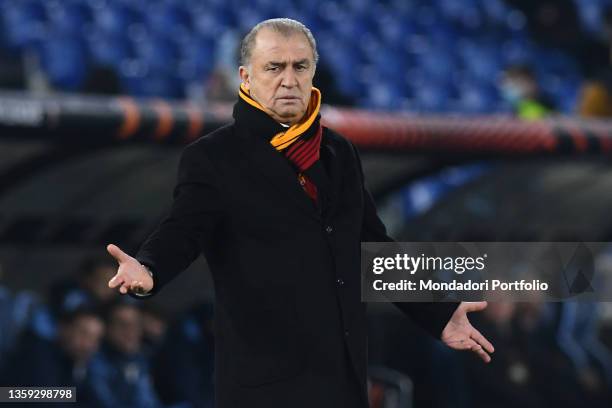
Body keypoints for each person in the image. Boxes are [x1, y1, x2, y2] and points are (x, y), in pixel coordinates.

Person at [106, 18, 494, 408]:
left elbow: (373, 248)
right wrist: (150, 268)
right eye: (274, 67)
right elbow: (184, 228)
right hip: (266, 389)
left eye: (300, 66)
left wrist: (439, 312)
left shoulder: (338, 152)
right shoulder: (214, 157)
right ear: (245, 76)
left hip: (342, 383)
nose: (289, 79)